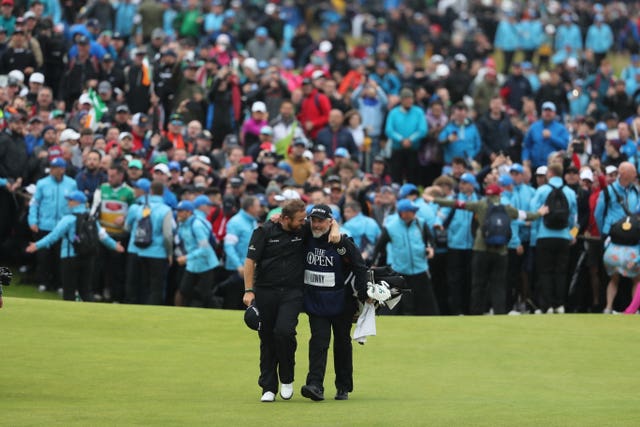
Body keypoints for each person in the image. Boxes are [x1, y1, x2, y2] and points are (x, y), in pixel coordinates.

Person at [242, 199, 338, 402]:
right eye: (301, 219)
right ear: (285, 219)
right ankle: (268, 387)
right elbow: (250, 261)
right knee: (267, 337)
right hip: (266, 291)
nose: (305, 223)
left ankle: (286, 379)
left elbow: (327, 224)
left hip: (292, 292)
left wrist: (335, 226)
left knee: (284, 332)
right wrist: (249, 290)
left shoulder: (302, 231)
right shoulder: (264, 232)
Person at [429, 185, 546, 315]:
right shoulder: (507, 208)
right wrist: (539, 213)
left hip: (481, 249)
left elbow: (456, 204)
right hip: (501, 251)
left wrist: (435, 200)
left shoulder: (480, 205)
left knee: (478, 283)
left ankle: (476, 312)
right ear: (499, 195)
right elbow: (525, 215)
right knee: (498, 284)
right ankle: (499, 312)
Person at [299, 204, 368, 402]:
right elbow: (290, 222)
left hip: (342, 302)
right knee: (318, 342)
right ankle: (315, 385)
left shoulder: (342, 242)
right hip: (315, 301)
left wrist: (363, 296)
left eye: (321, 221)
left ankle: (343, 387)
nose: (317, 224)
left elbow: (359, 266)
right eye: (314, 220)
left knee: (342, 343)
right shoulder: (306, 236)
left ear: (330, 222)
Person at [26, 190, 125, 301]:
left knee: (69, 291)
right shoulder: (91, 219)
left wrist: (37, 245)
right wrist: (115, 246)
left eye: (70, 200)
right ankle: (90, 316)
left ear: (77, 202)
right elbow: (103, 236)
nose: (68, 202)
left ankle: (69, 316)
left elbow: (53, 236)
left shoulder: (68, 219)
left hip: (69, 257)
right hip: (88, 257)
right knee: (86, 291)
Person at [371, 199, 439, 315]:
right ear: (402, 212)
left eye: (413, 211)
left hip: (420, 269)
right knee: (404, 303)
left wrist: (431, 249)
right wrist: (374, 263)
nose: (413, 214)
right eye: (411, 211)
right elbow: (378, 247)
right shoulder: (391, 227)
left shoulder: (421, 224)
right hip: (401, 270)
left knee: (427, 303)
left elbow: (431, 240)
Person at [530, 163, 578, 314]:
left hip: (544, 235)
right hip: (563, 237)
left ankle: (547, 305)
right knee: (561, 272)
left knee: (545, 271)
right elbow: (574, 218)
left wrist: (536, 233)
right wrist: (572, 234)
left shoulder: (542, 190)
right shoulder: (569, 192)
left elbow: (534, 212)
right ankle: (560, 304)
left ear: (549, 173)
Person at [594, 162, 640, 313]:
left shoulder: (636, 192)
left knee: (636, 277)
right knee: (614, 277)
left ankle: (633, 309)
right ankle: (608, 307)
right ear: (625, 174)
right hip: (614, 239)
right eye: (633, 172)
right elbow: (598, 214)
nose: (636, 175)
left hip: (633, 239)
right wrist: (606, 233)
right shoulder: (607, 192)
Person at [28, 157, 78, 293]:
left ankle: (60, 283)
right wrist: (33, 220)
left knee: (60, 257)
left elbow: (75, 204)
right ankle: (44, 281)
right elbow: (35, 203)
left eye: (56, 167)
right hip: (45, 224)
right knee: (44, 256)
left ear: (63, 169)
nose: (53, 170)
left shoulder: (72, 184)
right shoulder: (42, 183)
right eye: (52, 167)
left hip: (63, 227)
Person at [126, 180, 173, 305]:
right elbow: (168, 234)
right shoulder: (166, 210)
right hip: (157, 253)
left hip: (136, 250)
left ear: (150, 192)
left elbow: (127, 227)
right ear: (163, 193)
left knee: (137, 284)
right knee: (155, 287)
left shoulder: (138, 208)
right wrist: (169, 253)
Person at [175, 200, 219, 307]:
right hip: (193, 264)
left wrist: (186, 257)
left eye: (181, 211)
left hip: (206, 265)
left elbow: (205, 248)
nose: (178, 213)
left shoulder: (197, 225)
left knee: (203, 295)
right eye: (178, 210)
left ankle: (217, 309)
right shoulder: (182, 225)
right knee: (184, 290)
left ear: (189, 212)